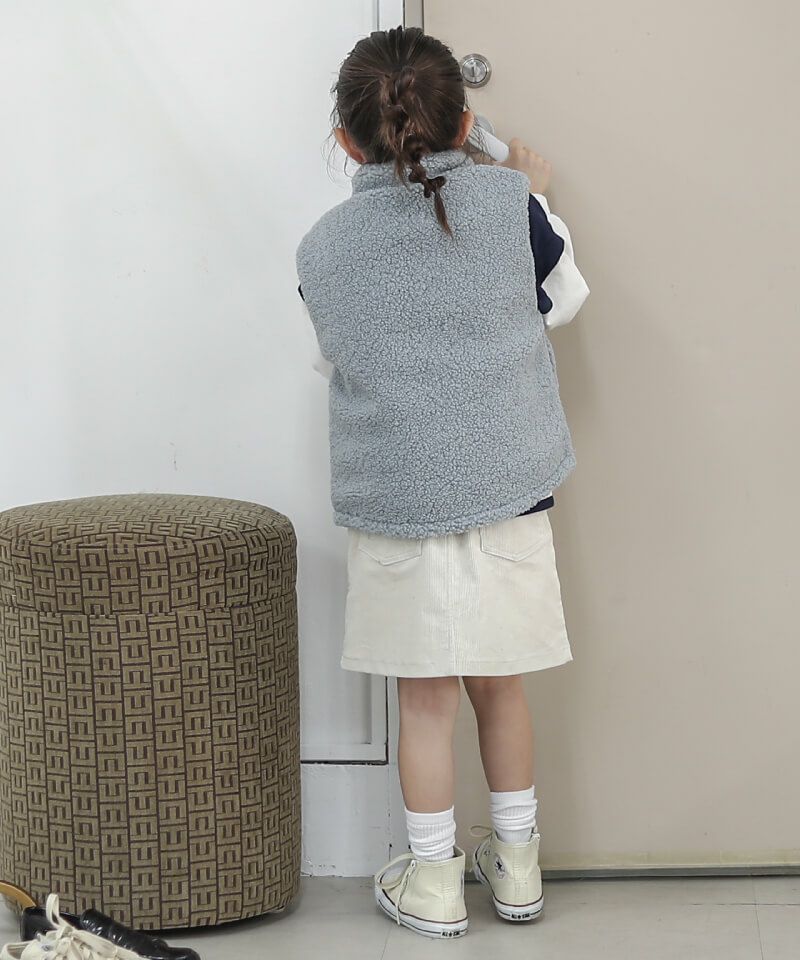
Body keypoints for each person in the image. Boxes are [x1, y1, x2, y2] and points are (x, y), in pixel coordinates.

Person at [296, 25, 589, 939]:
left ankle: (431, 880)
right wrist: (532, 195)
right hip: (508, 490)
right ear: (466, 125)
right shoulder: (512, 206)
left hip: (399, 505)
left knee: (423, 700)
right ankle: (518, 866)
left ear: (346, 143)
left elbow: (334, 357)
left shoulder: (321, 250)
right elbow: (565, 299)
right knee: (500, 686)